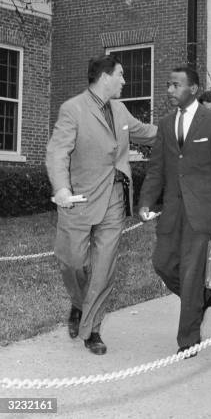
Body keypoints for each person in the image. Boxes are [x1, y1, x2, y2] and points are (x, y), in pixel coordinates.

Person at [46, 54, 157, 354]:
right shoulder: (73, 109)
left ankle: (91, 329)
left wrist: (187, 128)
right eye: (120, 75)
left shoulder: (120, 110)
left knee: (104, 267)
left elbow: (146, 133)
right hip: (79, 200)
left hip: (114, 197)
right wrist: (62, 189)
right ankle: (79, 304)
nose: (124, 80)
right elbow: (58, 151)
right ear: (104, 76)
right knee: (72, 261)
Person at [138, 67, 211, 355]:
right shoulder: (166, 124)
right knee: (163, 264)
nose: (169, 90)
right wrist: (145, 202)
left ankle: (188, 339)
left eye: (176, 85)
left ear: (193, 89)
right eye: (168, 84)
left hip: (203, 211)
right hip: (172, 210)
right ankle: (201, 298)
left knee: (193, 273)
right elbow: (157, 168)